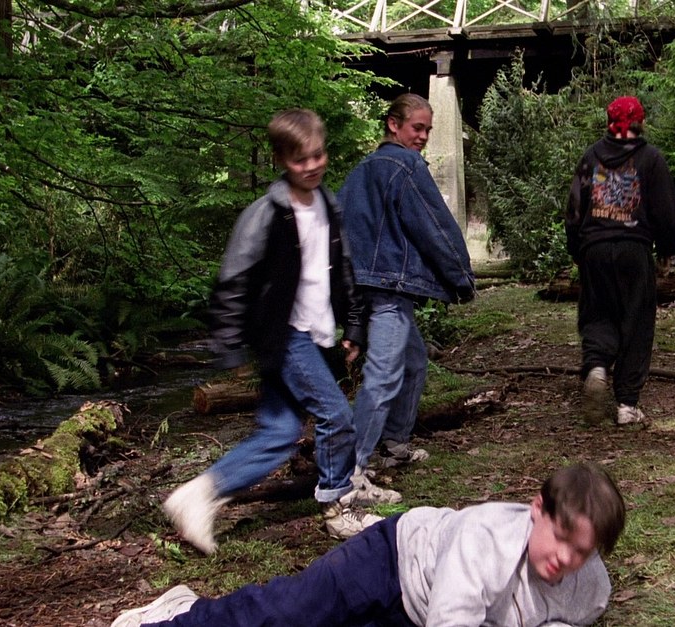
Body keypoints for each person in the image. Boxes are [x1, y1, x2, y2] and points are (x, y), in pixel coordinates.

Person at [162, 109, 402, 553]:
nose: (311, 166)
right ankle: (338, 506)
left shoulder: (328, 205)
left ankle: (198, 494)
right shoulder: (265, 214)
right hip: (283, 334)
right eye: (299, 159)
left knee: (280, 433)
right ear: (280, 160)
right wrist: (229, 346)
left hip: (314, 332)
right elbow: (233, 279)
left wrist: (353, 324)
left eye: (318, 155)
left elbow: (343, 269)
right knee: (336, 416)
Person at [111, 462, 626, 627]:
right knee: (288, 613)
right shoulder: (483, 538)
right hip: (391, 558)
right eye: (561, 538)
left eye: (582, 552)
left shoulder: (591, 589)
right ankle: (177, 617)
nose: (566, 559)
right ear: (537, 509)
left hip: (415, 614)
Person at [337, 93, 476, 471]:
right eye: (417, 128)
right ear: (393, 125)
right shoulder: (407, 165)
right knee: (382, 377)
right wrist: (461, 278)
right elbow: (435, 227)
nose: (424, 136)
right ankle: (350, 469)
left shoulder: (359, 171)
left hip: (363, 287)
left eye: (428, 129)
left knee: (413, 362)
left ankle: (394, 445)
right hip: (389, 289)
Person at [565, 95, 675, 426]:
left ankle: (597, 366)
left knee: (598, 313)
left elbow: (574, 209)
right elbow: (667, 213)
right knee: (637, 321)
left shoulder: (590, 157)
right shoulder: (651, 159)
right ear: (640, 123)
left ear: (609, 122)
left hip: (595, 248)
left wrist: (577, 249)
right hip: (634, 249)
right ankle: (627, 404)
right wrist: (667, 249)